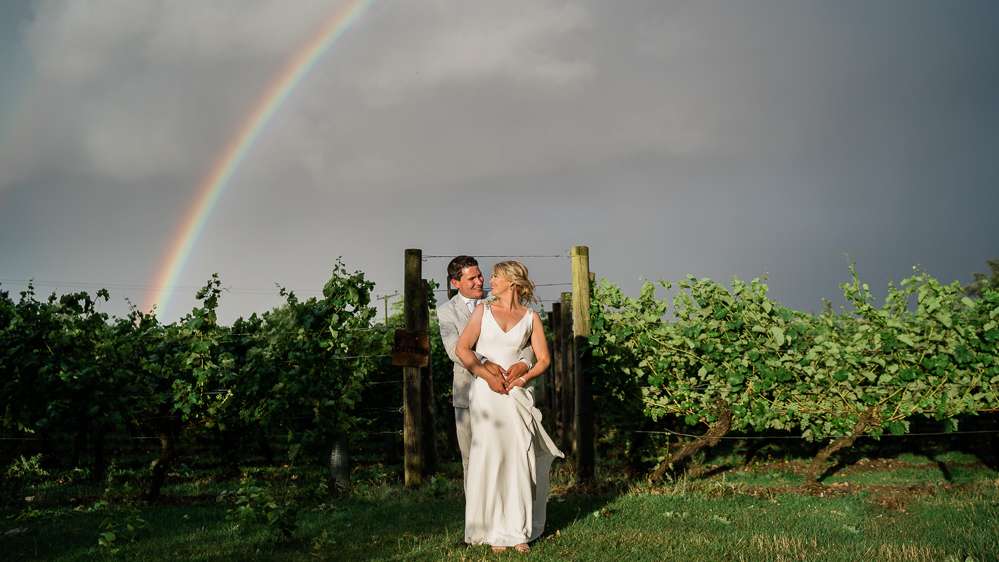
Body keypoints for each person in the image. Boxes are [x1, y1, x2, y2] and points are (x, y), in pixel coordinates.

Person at [455, 260, 564, 553]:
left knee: (518, 457)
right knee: (490, 456)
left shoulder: (530, 318)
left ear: (511, 282)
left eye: (495, 276)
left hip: (515, 395)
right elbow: (462, 349)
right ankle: (490, 530)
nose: (490, 280)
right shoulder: (483, 311)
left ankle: (518, 531)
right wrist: (486, 376)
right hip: (487, 394)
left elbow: (543, 359)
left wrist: (524, 377)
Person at [438, 256, 535, 484]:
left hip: (506, 387)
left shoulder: (499, 299)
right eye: (472, 278)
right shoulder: (446, 312)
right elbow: (454, 350)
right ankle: (476, 514)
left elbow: (527, 339)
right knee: (471, 457)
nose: (480, 281)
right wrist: (484, 362)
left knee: (508, 452)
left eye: (480, 275)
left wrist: (524, 363)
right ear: (455, 283)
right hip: (467, 391)